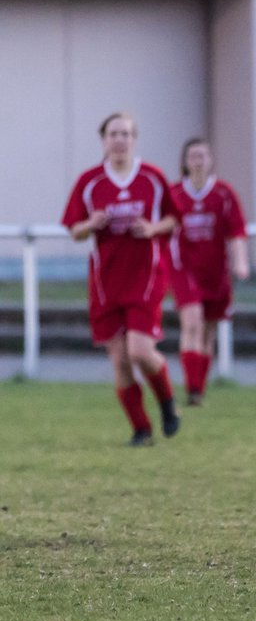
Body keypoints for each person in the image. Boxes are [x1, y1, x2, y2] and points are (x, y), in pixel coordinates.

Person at [61, 113, 181, 446]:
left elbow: (174, 219)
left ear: (134, 139)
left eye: (126, 134)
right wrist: (90, 224)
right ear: (103, 140)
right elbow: (73, 230)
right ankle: (141, 429)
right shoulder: (90, 182)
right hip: (106, 280)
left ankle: (168, 403)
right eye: (114, 133)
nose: (120, 139)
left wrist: (152, 228)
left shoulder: (152, 177)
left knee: (141, 351)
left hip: (145, 277)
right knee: (120, 358)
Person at [169, 138, 250, 406]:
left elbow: (237, 231)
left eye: (202, 155)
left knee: (207, 332)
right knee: (191, 323)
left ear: (211, 159)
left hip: (215, 271)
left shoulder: (224, 194)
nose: (198, 161)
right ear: (185, 161)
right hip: (183, 268)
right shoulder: (175, 194)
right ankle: (192, 389)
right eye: (193, 156)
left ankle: (199, 388)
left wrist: (241, 261)